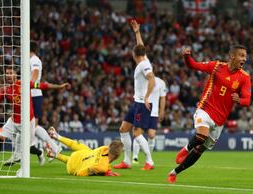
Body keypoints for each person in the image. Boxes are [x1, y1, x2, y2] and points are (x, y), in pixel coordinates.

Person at [167, 45, 252, 183]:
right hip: (205, 109)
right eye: (242, 55)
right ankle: (185, 149)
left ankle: (174, 173)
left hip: (220, 121)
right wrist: (187, 57)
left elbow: (247, 100)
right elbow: (193, 65)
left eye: (245, 56)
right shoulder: (216, 66)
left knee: (199, 150)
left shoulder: (245, 77)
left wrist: (240, 100)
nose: (245, 59)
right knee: (201, 135)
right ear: (232, 56)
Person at [0, 67, 70, 167]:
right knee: (0, 137)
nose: (8, 75)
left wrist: (60, 86)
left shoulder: (25, 84)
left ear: (15, 75)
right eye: (7, 73)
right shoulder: (6, 90)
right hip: (14, 120)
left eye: (10, 73)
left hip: (27, 122)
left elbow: (43, 85)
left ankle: (40, 153)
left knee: (28, 148)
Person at [113, 19, 156, 170]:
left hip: (141, 103)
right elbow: (141, 48)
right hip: (136, 103)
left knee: (137, 133)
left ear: (133, 54)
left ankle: (149, 161)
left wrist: (146, 97)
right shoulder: (144, 60)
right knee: (123, 129)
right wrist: (137, 32)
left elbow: (152, 79)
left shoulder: (144, 65)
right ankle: (127, 161)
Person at [46, 127, 123, 176]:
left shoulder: (104, 148)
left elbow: (108, 154)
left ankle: (58, 138)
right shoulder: (102, 167)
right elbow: (80, 173)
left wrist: (108, 170)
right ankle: (54, 154)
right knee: (83, 162)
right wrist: (104, 172)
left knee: (87, 150)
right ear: (116, 157)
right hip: (72, 168)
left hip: (78, 155)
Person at [132, 76, 167, 164]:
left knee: (151, 135)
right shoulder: (141, 81)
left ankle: (149, 158)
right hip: (142, 110)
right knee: (138, 132)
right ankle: (135, 157)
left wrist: (162, 110)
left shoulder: (160, 82)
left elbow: (163, 97)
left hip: (153, 112)